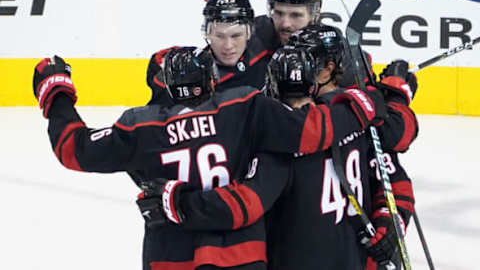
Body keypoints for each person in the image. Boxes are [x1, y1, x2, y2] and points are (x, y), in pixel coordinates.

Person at [32, 47, 384, 270]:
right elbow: (312, 132)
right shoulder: (243, 106)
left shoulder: (139, 126)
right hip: (241, 255)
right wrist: (364, 104)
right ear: (211, 81)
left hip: (169, 255)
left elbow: (71, 149)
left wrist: (56, 91)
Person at [134, 26, 417, 270]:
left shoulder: (282, 135)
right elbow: (397, 176)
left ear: (328, 69)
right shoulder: (356, 115)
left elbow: (246, 203)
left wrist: (178, 202)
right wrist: (395, 94)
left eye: (307, 63)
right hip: (353, 258)